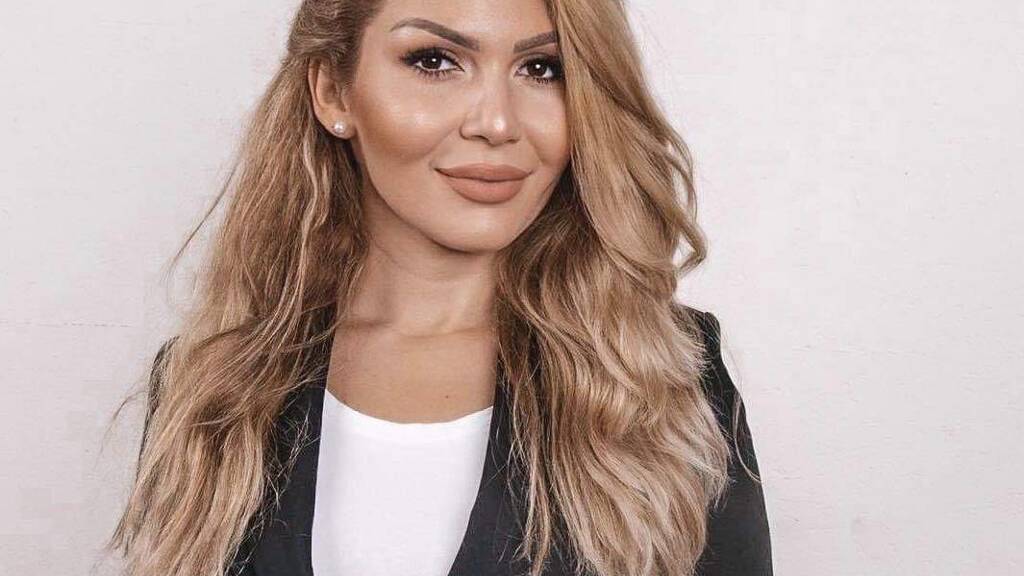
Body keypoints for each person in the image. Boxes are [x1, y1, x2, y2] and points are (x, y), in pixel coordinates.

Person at [108, 1, 773, 575]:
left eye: (543, 69)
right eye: (434, 61)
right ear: (334, 93)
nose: (497, 123)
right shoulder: (215, 384)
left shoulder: (665, 376)